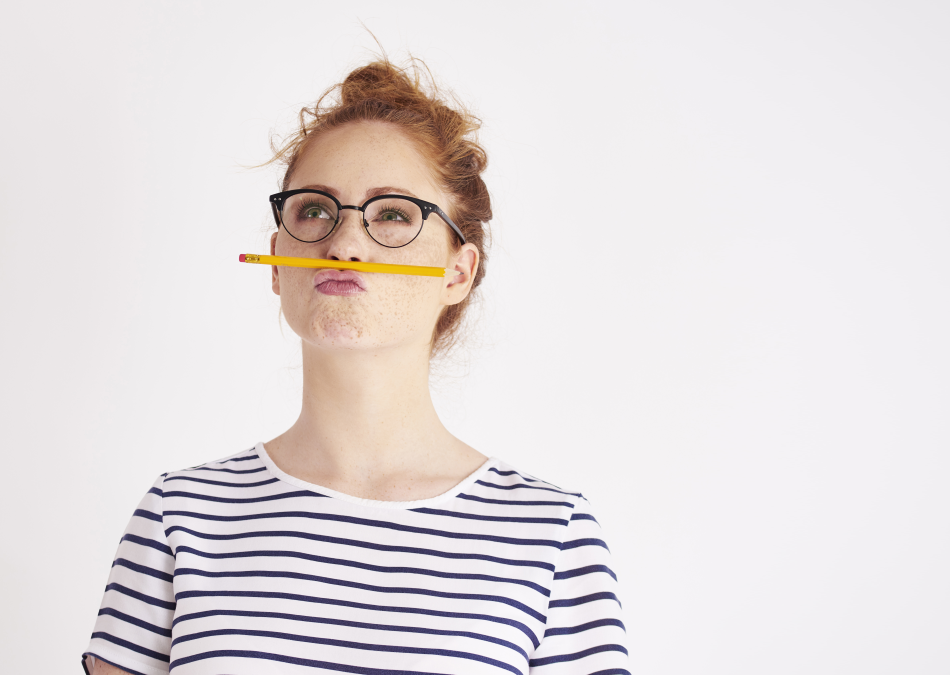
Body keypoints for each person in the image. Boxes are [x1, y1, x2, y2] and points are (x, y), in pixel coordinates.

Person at [83, 58, 628, 675]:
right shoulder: (179, 516)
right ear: (275, 260)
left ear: (458, 271)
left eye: (393, 214)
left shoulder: (550, 535)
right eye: (314, 210)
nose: (342, 244)